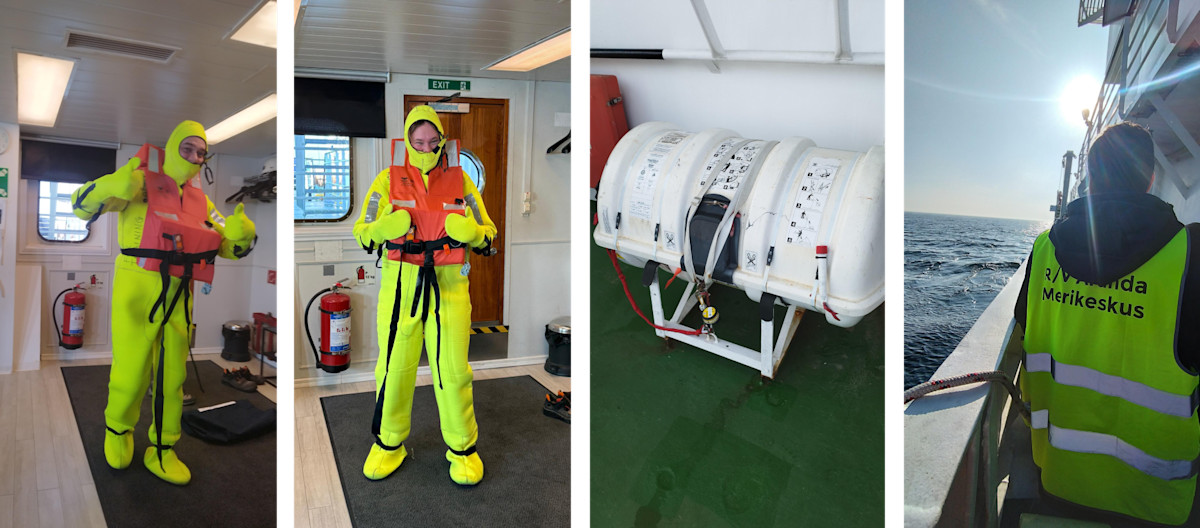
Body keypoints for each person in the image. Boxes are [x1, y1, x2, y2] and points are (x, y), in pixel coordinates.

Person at [1014, 122, 1200, 525]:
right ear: (1150, 179)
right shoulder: (1189, 255)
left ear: (1090, 179)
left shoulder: (1044, 248)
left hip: (1060, 478)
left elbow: (1023, 325)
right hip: (1153, 500)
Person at [71, 120, 257, 485]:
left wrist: (240, 236)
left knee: (172, 377)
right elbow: (80, 206)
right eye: (187, 148)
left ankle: (162, 447)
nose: (194, 156)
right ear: (172, 147)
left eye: (201, 152)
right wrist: (111, 184)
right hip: (135, 286)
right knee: (130, 370)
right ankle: (118, 431)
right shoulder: (138, 181)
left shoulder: (201, 200)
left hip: (179, 292)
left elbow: (225, 244)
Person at [353, 105, 496, 485]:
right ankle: (388, 444)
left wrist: (474, 233)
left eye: (433, 141)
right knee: (393, 370)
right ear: (407, 141)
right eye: (418, 141)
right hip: (400, 291)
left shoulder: (462, 181)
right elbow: (362, 230)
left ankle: (463, 449)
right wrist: (385, 227)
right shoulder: (386, 180)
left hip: (449, 291)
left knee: (452, 372)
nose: (426, 147)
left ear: (442, 141)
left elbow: (489, 231)